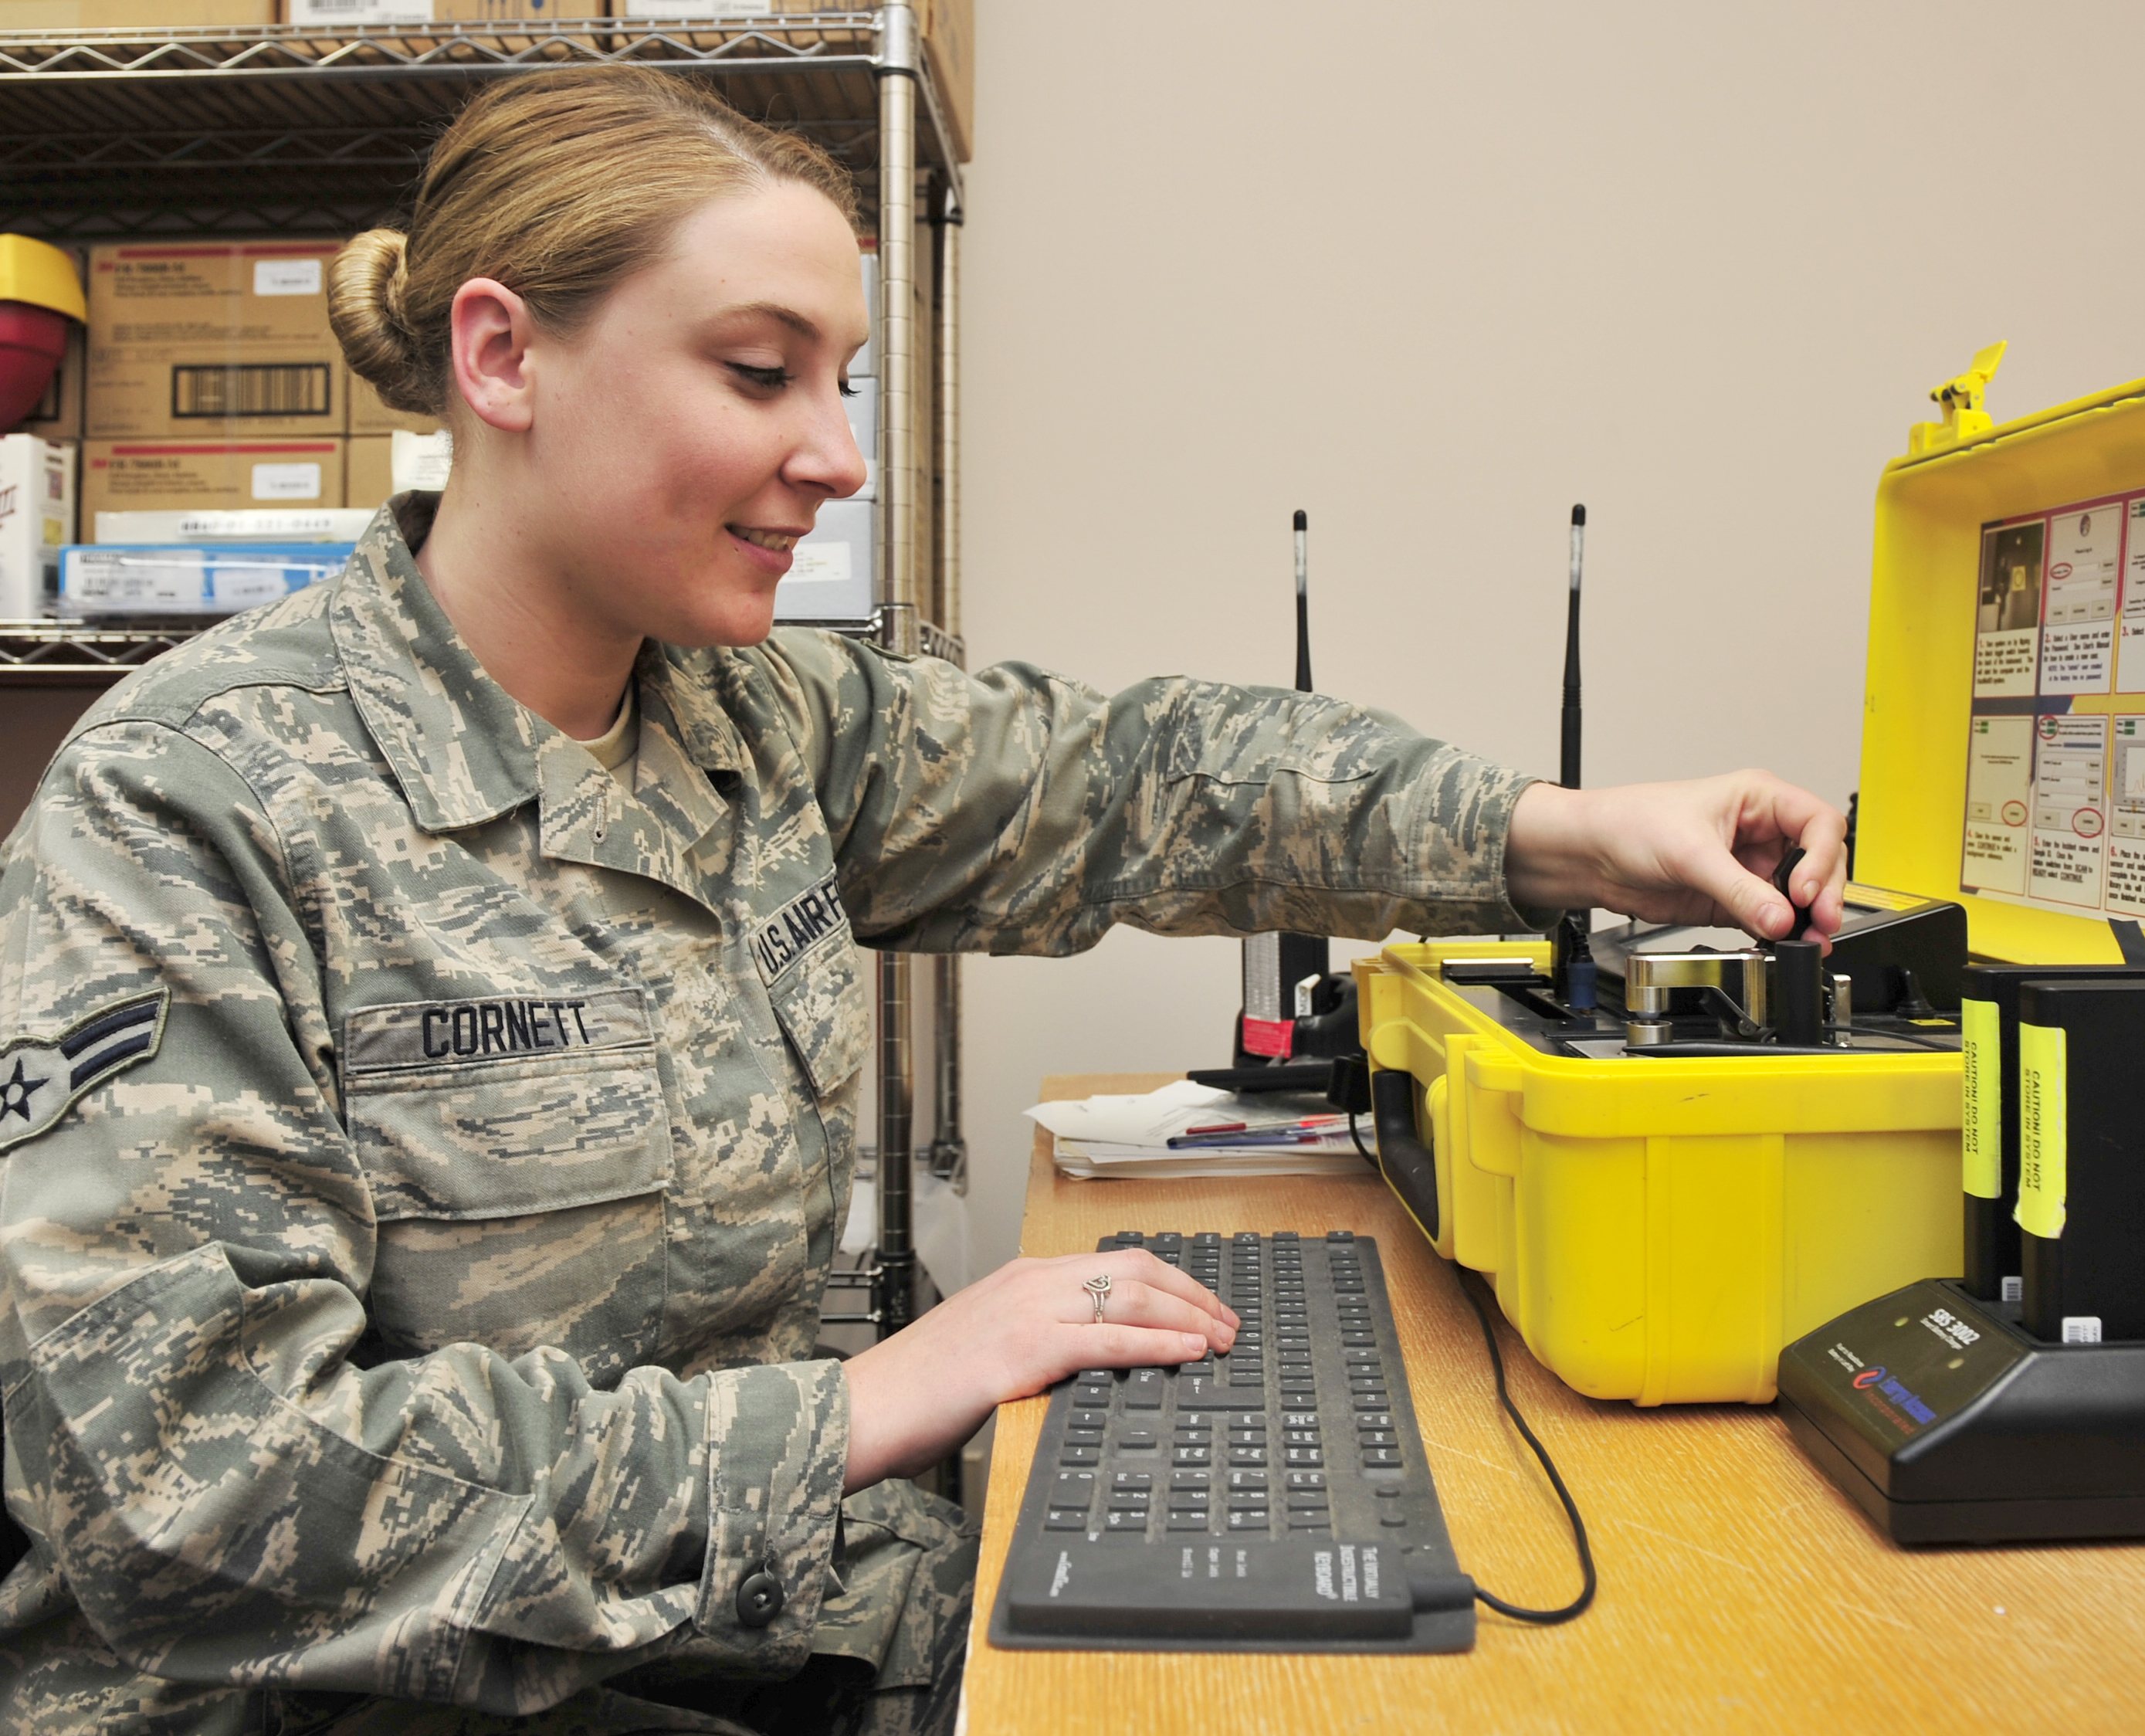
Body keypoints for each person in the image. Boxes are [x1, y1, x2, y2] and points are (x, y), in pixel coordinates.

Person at [0, 66, 1846, 1736]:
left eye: (843, 380)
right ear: (502, 357)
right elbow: (196, 1491)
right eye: (759, 372)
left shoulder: (746, 716)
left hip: (722, 1616)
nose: (838, 455)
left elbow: (1138, 779)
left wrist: (1567, 831)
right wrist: (868, 1402)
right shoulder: (190, 803)